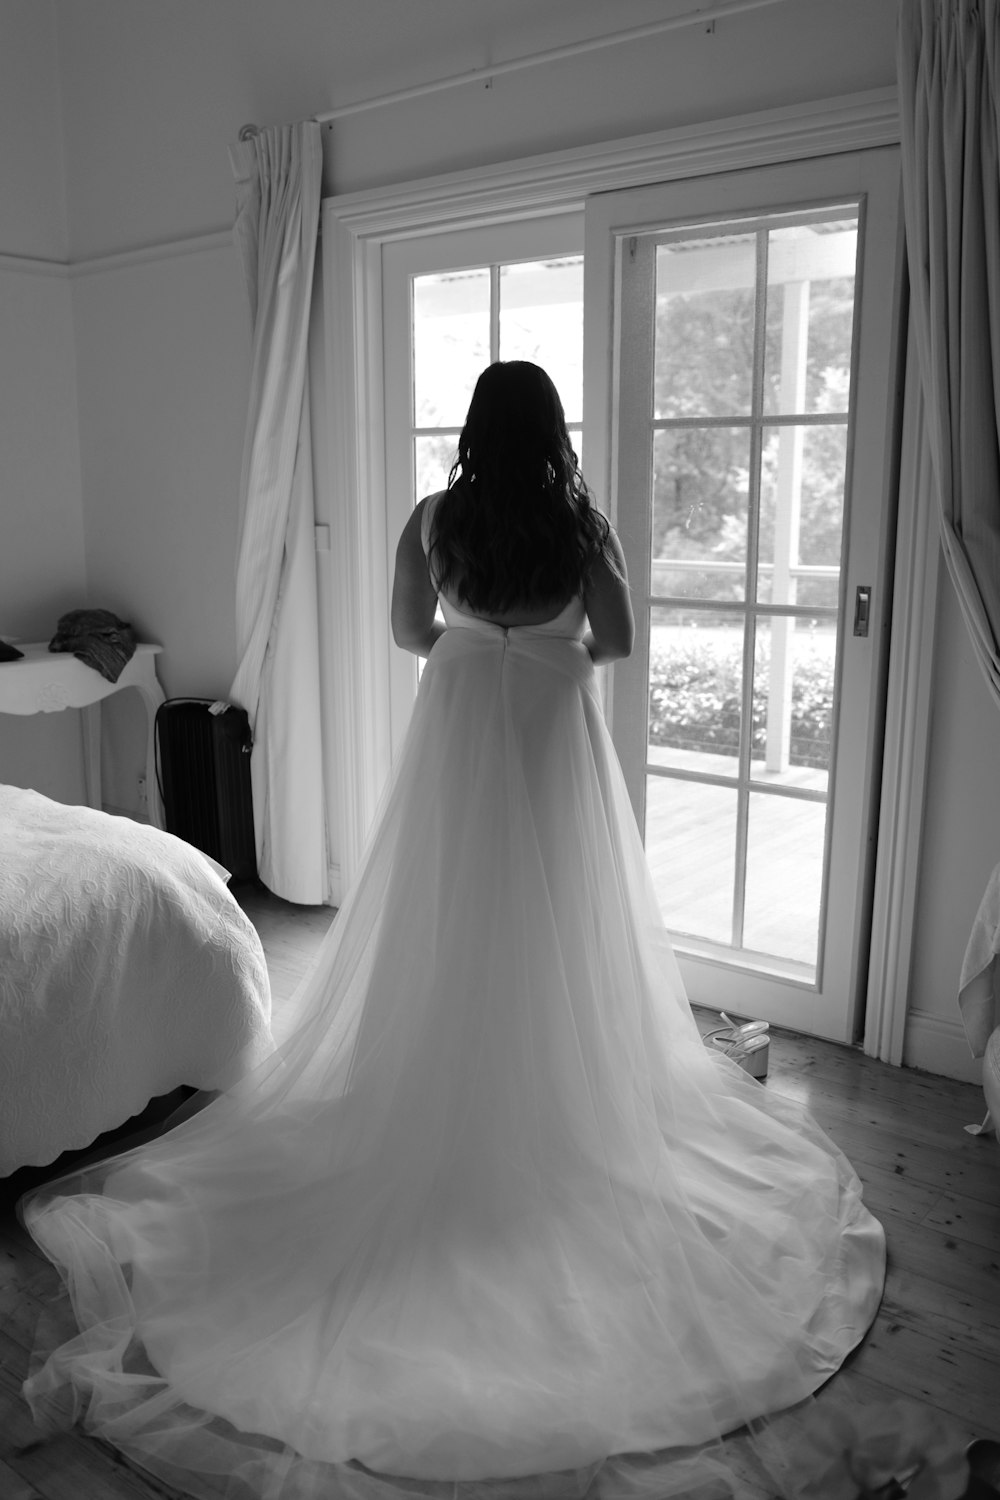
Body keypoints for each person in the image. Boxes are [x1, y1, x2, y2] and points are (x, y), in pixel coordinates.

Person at [21, 362, 885, 1500]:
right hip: (548, 731)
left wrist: (479, 647)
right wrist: (548, 642)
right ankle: (557, 1095)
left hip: (464, 725)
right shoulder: (581, 528)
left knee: (450, 906)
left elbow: (405, 629)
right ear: (553, 435)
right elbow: (617, 643)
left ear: (478, 432)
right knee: (562, 921)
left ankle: (449, 1073)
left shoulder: (435, 520)